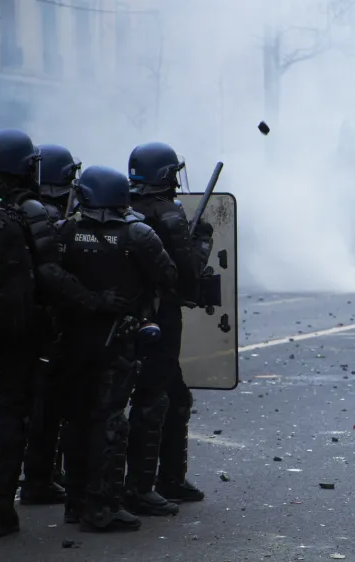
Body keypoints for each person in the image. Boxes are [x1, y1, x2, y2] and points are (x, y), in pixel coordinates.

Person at [0, 130, 126, 540]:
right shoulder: (36, 212)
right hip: (21, 331)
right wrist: (97, 301)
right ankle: (0, 512)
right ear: (25, 166)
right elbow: (52, 275)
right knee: (13, 413)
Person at [56, 164, 177, 532]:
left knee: (75, 420)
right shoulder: (138, 233)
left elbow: (49, 277)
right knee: (109, 421)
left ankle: (75, 503)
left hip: (73, 339)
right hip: (117, 341)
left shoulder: (66, 230)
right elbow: (169, 277)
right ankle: (103, 506)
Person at [126, 142, 213, 514]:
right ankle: (142, 487)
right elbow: (187, 277)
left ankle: (168, 480)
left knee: (168, 397)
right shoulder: (170, 215)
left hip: (115, 317)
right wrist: (203, 238)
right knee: (155, 399)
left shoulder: (114, 208)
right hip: (158, 320)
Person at [20, 143, 82, 506]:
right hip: (46, 326)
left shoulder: (15, 209)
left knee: (19, 404)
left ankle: (26, 479)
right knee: (49, 406)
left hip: (11, 322)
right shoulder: (51, 218)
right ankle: (39, 480)